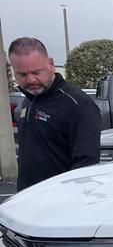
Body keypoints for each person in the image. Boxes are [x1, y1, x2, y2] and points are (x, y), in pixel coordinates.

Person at [8, 37, 100, 191]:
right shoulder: (30, 100)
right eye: (22, 75)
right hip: (27, 200)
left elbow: (86, 166)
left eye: (36, 72)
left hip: (58, 204)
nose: (31, 80)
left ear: (50, 64)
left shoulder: (78, 104)